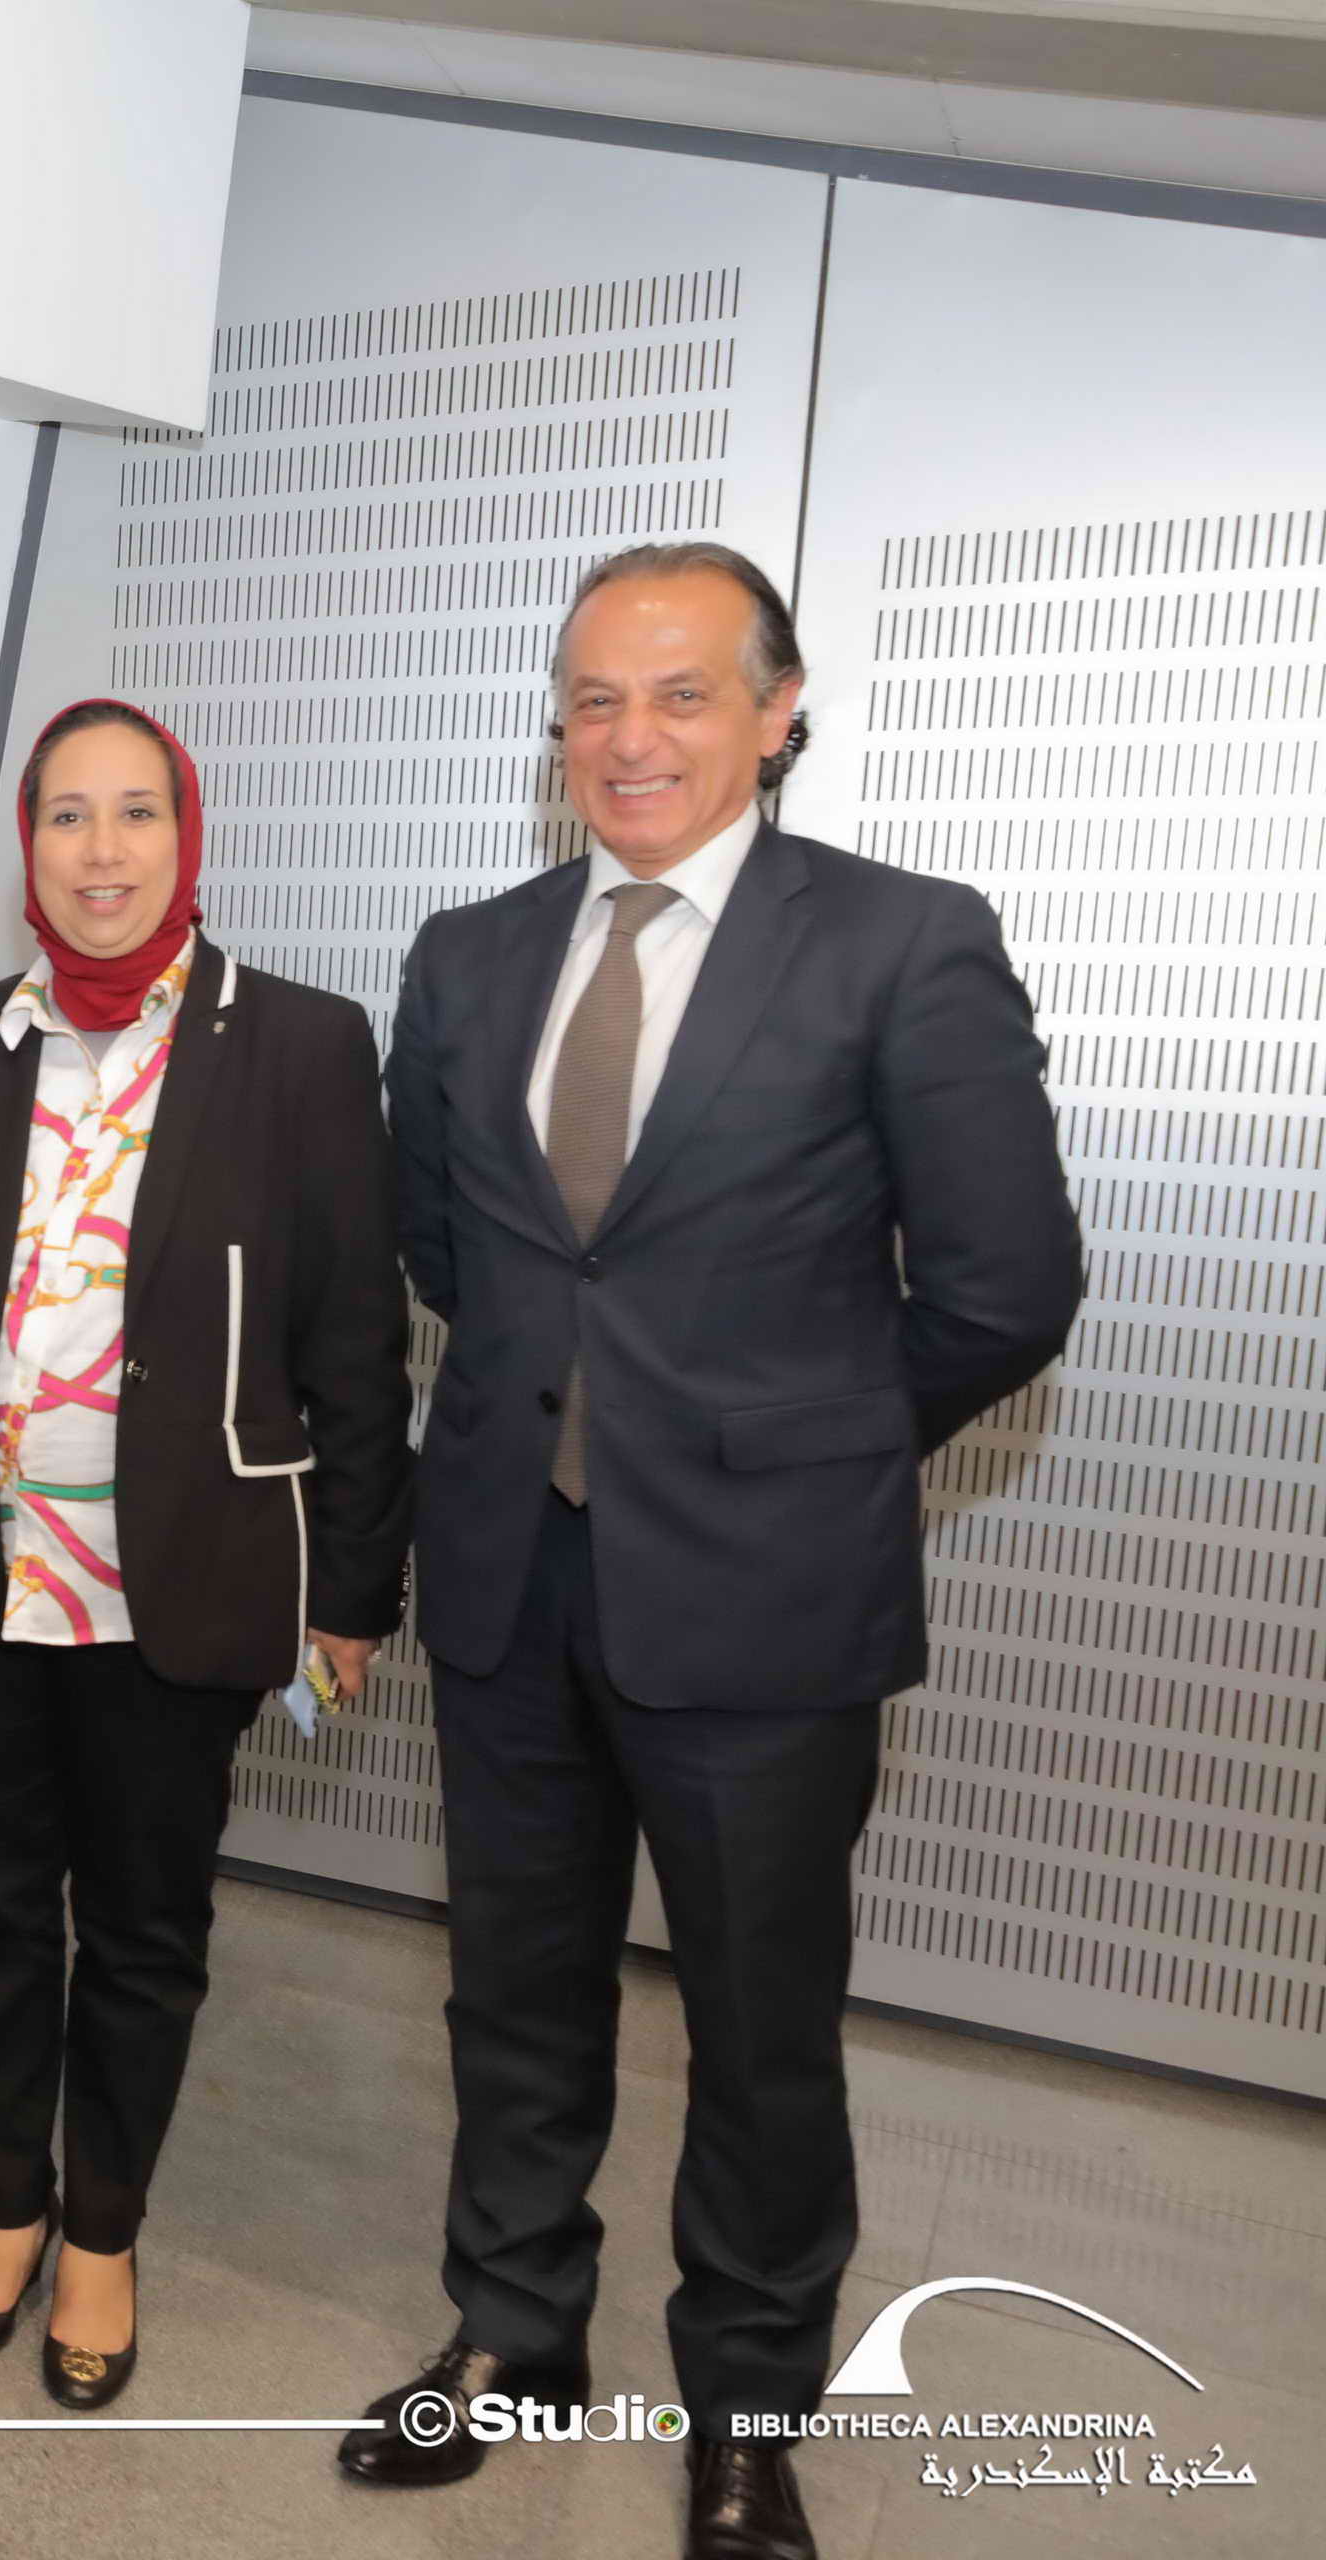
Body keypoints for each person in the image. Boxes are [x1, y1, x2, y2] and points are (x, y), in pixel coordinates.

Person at [337, 543, 1080, 2560]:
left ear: (778, 710)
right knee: (513, 1991)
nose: (631, 736)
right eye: (593, 697)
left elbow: (1006, 1285)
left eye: (679, 693)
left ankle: (748, 2405)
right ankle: (514, 2330)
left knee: (759, 2029)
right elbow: (450, 1248)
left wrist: (798, 1452)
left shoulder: (902, 942)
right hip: (510, 1570)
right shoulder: (471, 954)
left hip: (766, 1591)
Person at [0, 698, 409, 2406]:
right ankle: (8, 2206)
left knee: (146, 1925)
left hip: (188, 1577)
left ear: (187, 836)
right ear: (30, 846)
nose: (101, 849)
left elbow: (357, 1342)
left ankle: (102, 2233)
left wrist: (349, 1589)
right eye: (66, 815)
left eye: (136, 811)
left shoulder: (298, 1044)